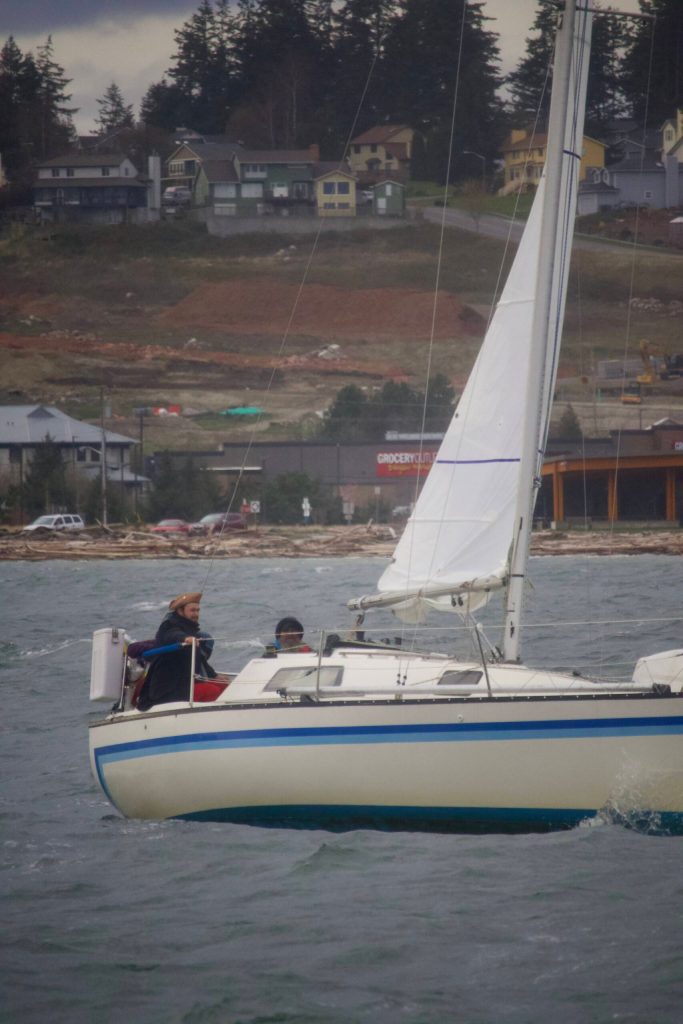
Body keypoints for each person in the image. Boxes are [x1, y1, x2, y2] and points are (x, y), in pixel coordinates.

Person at [136, 592, 226, 710]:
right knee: (211, 691)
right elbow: (172, 635)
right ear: (180, 611)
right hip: (166, 689)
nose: (196, 614)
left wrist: (214, 675)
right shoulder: (168, 626)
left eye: (198, 610)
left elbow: (200, 658)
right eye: (192, 610)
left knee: (224, 685)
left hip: (185, 683)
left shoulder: (190, 628)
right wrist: (185, 639)